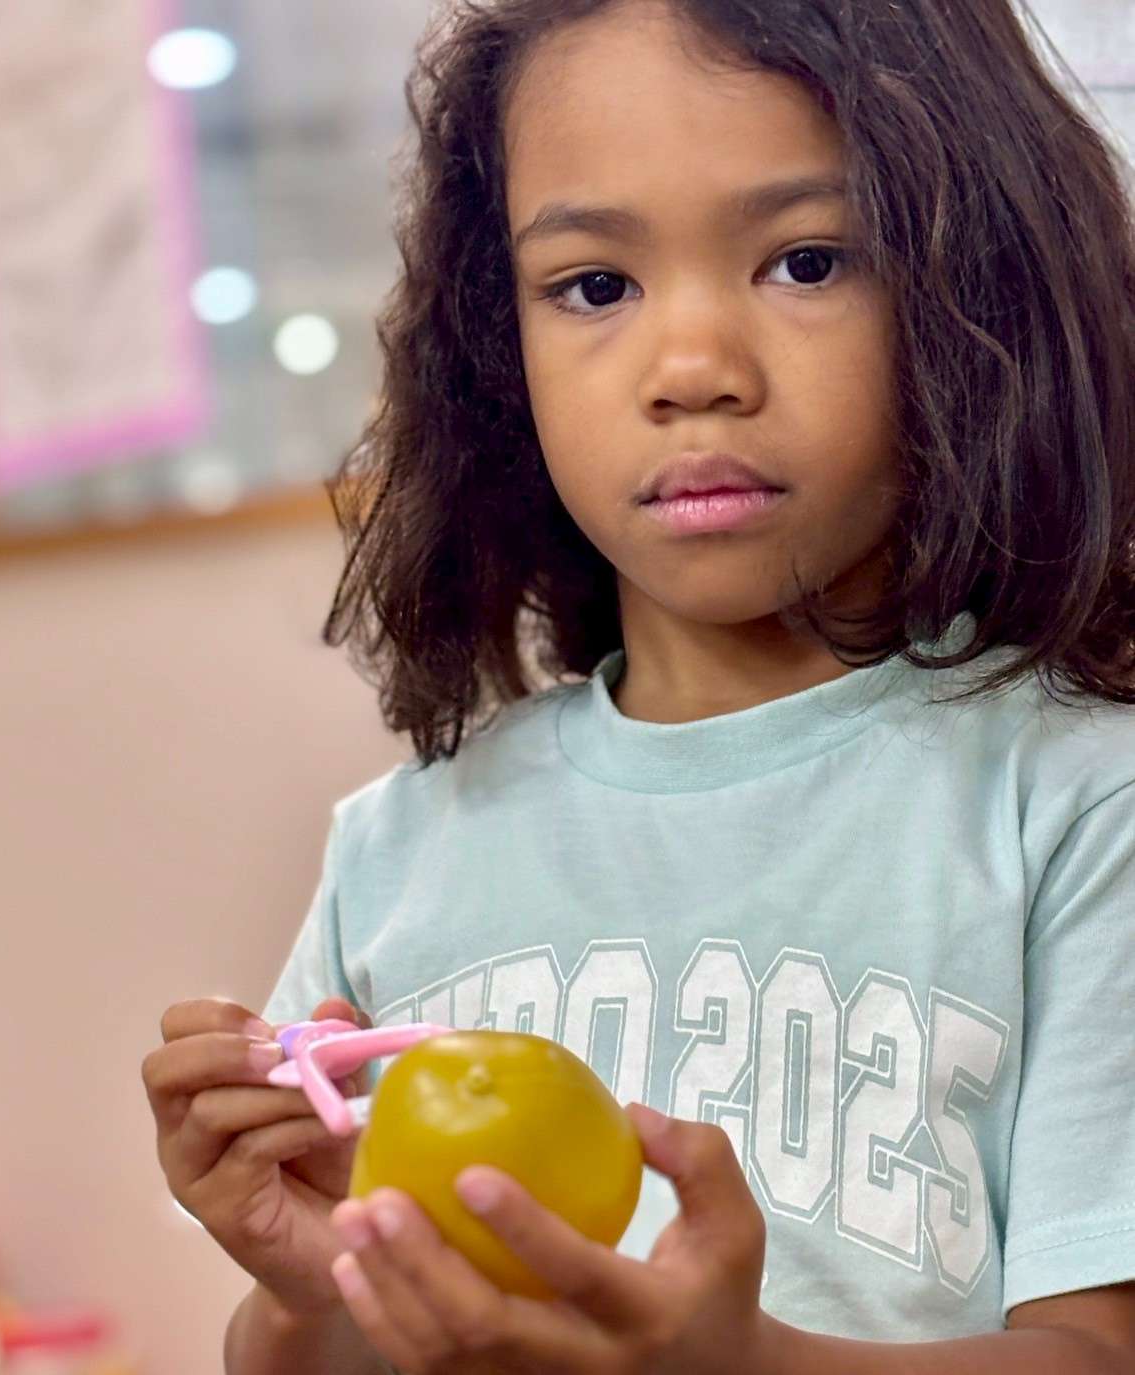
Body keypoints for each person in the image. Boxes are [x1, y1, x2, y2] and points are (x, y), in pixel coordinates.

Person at [142, 0, 1135, 1371]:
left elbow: (1094, 1349)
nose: (691, 372)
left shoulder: (1086, 804)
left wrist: (749, 1366)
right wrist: (313, 1293)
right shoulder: (398, 849)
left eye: (805, 261)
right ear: (499, 353)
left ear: (981, 291)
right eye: (595, 287)